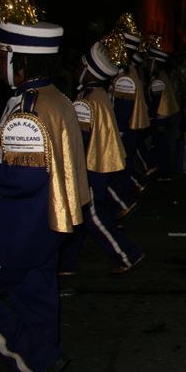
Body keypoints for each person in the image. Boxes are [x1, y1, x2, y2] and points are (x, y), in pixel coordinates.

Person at [0, 0, 88, 372]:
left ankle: (33, 359)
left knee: (27, 306)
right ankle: (39, 365)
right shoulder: (56, 97)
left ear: (17, 58)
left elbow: (21, 179)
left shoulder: (28, 107)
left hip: (21, 229)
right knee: (38, 305)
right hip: (49, 225)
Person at [59, 38, 146, 275]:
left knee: (91, 215)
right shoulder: (98, 94)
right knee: (81, 214)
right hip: (98, 162)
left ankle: (128, 254)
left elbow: (81, 141)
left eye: (79, 67)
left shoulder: (85, 101)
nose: (75, 70)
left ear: (88, 71)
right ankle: (65, 263)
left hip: (90, 165)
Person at [105, 14, 152, 219]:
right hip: (131, 125)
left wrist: (119, 132)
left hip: (127, 126)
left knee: (118, 168)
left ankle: (123, 203)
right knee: (122, 166)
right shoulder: (128, 70)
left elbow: (122, 108)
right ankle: (132, 191)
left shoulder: (125, 73)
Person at [145, 36, 180, 181]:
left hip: (159, 120)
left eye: (148, 61)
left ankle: (164, 173)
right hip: (158, 119)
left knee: (161, 148)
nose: (146, 64)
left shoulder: (158, 80)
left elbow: (162, 102)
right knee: (160, 147)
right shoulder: (157, 77)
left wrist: (161, 122)